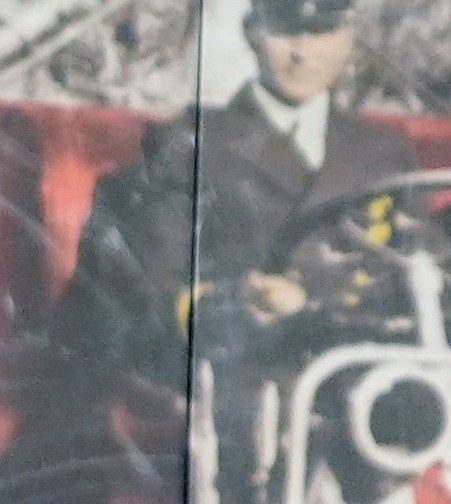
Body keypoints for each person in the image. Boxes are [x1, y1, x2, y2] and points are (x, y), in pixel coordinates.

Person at [55, 0, 362, 397]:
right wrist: (243, 300)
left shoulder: (382, 152)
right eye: (284, 33)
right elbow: (154, 278)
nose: (302, 54)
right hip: (238, 375)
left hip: (364, 371)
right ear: (252, 34)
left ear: (346, 41)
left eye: (321, 34)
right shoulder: (193, 141)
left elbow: (420, 261)